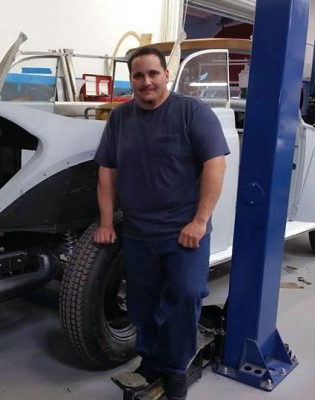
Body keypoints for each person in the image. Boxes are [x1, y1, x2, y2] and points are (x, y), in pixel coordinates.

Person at [93, 47, 229, 400]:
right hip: (139, 233)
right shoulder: (120, 119)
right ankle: (151, 362)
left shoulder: (191, 112)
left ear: (166, 74)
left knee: (186, 294)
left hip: (185, 232)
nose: (146, 81)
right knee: (144, 303)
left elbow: (215, 165)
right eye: (138, 76)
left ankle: (176, 369)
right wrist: (106, 222)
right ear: (131, 80)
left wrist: (200, 221)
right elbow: (107, 170)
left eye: (153, 73)